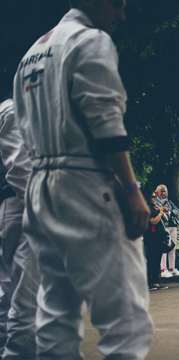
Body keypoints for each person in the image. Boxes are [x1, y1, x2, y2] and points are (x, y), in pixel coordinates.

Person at [12, 1, 153, 358]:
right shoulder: (90, 41)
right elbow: (106, 123)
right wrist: (133, 190)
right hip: (86, 181)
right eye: (117, 4)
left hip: (40, 187)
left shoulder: (31, 54)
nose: (121, 15)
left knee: (56, 312)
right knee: (126, 319)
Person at [0, 95, 39, 358]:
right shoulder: (14, 109)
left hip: (24, 205)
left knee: (16, 294)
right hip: (22, 206)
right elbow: (19, 168)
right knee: (21, 297)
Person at [153, 184, 179, 278]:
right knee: (164, 248)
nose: (164, 192)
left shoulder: (169, 202)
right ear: (156, 192)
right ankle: (163, 269)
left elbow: (178, 212)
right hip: (163, 227)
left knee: (172, 247)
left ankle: (172, 268)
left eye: (165, 190)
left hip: (172, 226)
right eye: (161, 190)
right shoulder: (154, 202)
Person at [143, 194, 168, 291]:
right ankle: (150, 282)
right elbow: (153, 221)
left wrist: (162, 211)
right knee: (151, 260)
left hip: (158, 237)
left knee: (157, 260)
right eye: (152, 197)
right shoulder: (147, 208)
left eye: (155, 197)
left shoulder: (156, 207)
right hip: (151, 237)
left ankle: (156, 281)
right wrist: (160, 213)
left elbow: (165, 219)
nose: (154, 199)